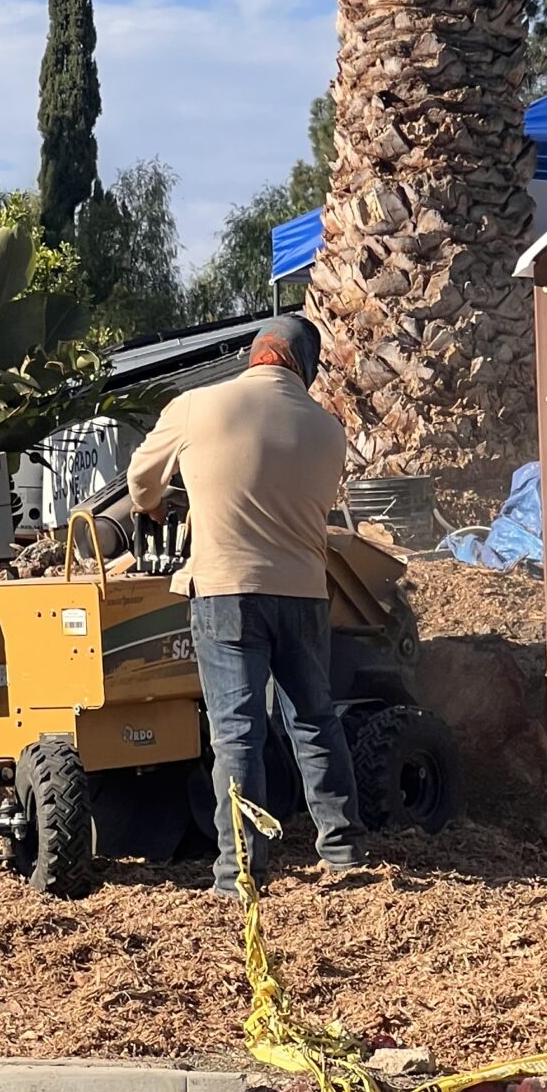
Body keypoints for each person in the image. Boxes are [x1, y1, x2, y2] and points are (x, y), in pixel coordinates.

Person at [128, 315, 367, 897]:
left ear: (255, 354)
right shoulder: (329, 431)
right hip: (305, 593)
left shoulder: (195, 407)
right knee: (314, 719)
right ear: (305, 368)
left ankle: (240, 875)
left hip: (227, 592)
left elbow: (140, 480)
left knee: (237, 733)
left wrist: (158, 509)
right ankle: (344, 851)